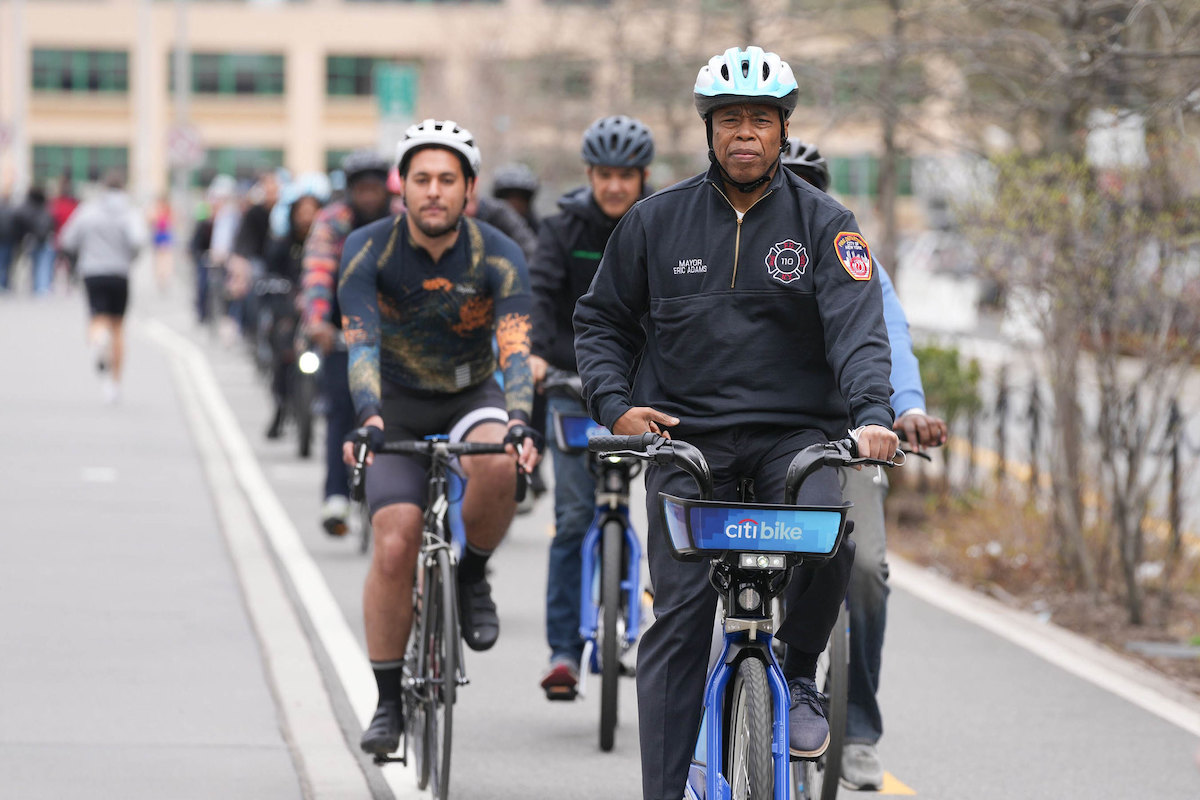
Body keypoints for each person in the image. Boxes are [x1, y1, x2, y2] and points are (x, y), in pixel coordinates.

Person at [573, 47, 899, 800]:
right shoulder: (656, 222)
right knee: (679, 624)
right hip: (689, 444)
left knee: (832, 524)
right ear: (708, 130)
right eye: (730, 120)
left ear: (782, 129)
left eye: (760, 119)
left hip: (797, 438)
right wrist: (616, 405)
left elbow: (859, 333)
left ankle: (799, 670)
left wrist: (875, 418)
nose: (744, 133)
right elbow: (601, 324)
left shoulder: (827, 224)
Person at [337, 119, 541, 756]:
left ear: (469, 190)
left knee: (502, 464)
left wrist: (517, 420)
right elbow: (361, 340)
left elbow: (514, 347)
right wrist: (368, 416)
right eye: (420, 178)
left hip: (469, 394)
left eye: (446, 180)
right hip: (393, 405)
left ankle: (472, 575)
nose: (432, 191)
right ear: (401, 187)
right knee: (395, 544)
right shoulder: (368, 249)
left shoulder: (497, 253)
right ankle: (388, 700)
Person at [782, 137, 949, 790]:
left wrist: (904, 410)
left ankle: (855, 727)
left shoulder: (853, 258)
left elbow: (890, 339)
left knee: (866, 574)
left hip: (844, 443)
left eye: (807, 184)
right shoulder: (730, 250)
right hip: (754, 443)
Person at [528, 114, 655, 699]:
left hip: (643, 401)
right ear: (589, 175)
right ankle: (562, 653)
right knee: (575, 518)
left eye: (625, 176)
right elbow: (539, 302)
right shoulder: (560, 229)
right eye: (604, 175)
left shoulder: (663, 222)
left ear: (641, 177)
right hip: (569, 391)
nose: (614, 187)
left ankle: (640, 629)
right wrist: (534, 356)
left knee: (658, 521)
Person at [301, 150, 394, 536]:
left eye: (376, 188)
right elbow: (319, 270)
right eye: (362, 189)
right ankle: (335, 496)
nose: (369, 195)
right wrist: (318, 320)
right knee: (340, 409)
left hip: (394, 329)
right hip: (343, 330)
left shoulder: (403, 219)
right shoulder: (332, 222)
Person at [59, 168, 149, 403]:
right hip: (119, 272)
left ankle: (98, 340)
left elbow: (67, 238)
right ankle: (114, 384)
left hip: (93, 272)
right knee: (118, 327)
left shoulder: (88, 211)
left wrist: (83, 254)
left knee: (97, 317)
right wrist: (129, 257)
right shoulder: (130, 212)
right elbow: (139, 240)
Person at [263, 173, 330, 439]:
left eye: (312, 211)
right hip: (289, 313)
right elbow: (270, 273)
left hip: (319, 315)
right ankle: (280, 405)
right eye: (302, 211)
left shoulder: (329, 243)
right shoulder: (283, 244)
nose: (306, 217)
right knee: (281, 354)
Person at [14, 186, 56, 295]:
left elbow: (19, 223)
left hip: (30, 239)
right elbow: (51, 221)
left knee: (34, 264)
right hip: (43, 239)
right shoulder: (45, 207)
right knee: (43, 264)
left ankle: (38, 287)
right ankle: (42, 288)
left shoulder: (26, 208)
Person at [492, 162, 541, 234]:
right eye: (509, 198)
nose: (515, 204)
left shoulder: (537, 230)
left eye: (520, 199)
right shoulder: (487, 227)